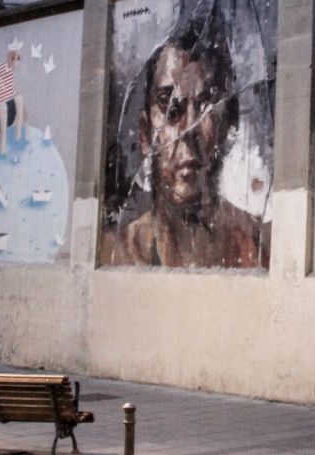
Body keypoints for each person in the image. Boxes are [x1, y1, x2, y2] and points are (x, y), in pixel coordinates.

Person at [102, 21, 267, 269]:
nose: (189, 129)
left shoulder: (256, 246)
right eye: (171, 108)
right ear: (146, 135)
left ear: (226, 127)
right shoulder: (117, 251)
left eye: (205, 107)